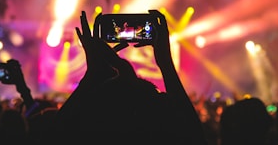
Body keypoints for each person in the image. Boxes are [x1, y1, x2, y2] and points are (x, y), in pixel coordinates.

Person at [45, 10, 208, 145]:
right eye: (157, 95)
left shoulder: (94, 132)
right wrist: (166, 63)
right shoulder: (161, 133)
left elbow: (54, 136)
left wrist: (93, 74)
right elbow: (194, 135)